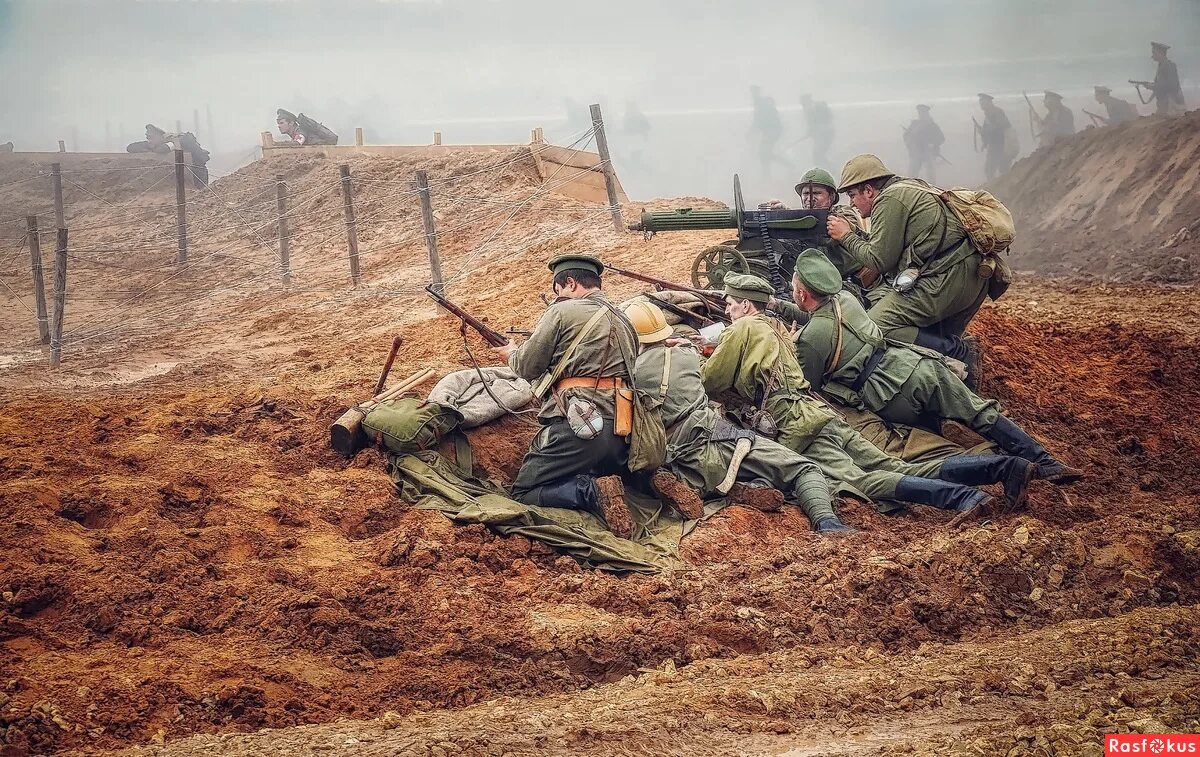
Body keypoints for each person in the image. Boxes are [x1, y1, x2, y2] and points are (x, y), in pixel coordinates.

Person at [700, 273, 1033, 520]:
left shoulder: (741, 328)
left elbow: (711, 381)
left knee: (862, 480)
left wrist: (693, 353)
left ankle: (963, 499)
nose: (727, 310)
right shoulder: (778, 328)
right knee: (892, 464)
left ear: (745, 304)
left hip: (797, 427)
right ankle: (1003, 467)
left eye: (730, 304)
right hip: (823, 416)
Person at [788, 248, 1083, 486]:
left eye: (793, 288)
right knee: (976, 410)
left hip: (888, 395)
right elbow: (825, 322)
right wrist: (778, 309)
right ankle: (1044, 460)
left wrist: (792, 342)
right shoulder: (846, 299)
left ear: (802, 295)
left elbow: (809, 386)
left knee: (925, 449)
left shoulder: (811, 340)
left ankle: (995, 470)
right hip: (917, 365)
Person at [623, 301, 851, 533]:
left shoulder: (627, 375)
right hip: (722, 444)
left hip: (672, 460)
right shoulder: (685, 356)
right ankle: (827, 523)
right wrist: (686, 346)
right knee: (803, 469)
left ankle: (719, 487)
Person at [491, 255, 638, 538]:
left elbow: (527, 366)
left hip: (579, 428)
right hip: (624, 432)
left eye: (558, 291)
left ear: (569, 283)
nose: (557, 298)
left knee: (524, 491)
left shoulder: (561, 312)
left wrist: (511, 354)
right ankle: (632, 483)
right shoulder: (624, 319)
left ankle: (589, 492)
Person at [826, 154, 986, 379]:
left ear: (869, 190)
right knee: (930, 336)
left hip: (946, 278)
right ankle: (959, 378)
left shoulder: (889, 199)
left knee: (872, 326)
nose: (851, 202)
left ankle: (961, 352)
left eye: (852, 195)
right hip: (971, 277)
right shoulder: (909, 188)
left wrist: (846, 237)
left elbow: (879, 260)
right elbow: (887, 245)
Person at [126, 124, 210, 187]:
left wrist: (163, 148)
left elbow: (164, 148)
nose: (150, 141)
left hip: (196, 173)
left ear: (160, 136)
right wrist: (147, 149)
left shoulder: (180, 140)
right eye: (148, 138)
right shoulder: (153, 145)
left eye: (152, 138)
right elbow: (130, 147)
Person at [748, 86, 790, 177]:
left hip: (772, 130)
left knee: (764, 153)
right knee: (765, 153)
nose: (753, 95)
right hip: (771, 130)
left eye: (754, 92)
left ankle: (788, 167)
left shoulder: (760, 103)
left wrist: (751, 131)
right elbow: (759, 120)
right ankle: (788, 166)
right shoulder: (760, 102)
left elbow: (759, 119)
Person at [977, 94, 1017, 180]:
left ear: (989, 102)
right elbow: (988, 130)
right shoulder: (988, 113)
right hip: (996, 145)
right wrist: (985, 142)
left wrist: (984, 131)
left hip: (1001, 145)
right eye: (980, 102)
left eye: (983, 101)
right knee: (993, 169)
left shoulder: (996, 112)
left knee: (994, 169)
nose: (981, 104)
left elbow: (1002, 126)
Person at [903, 104, 945, 183]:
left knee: (930, 173)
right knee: (912, 173)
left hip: (928, 152)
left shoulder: (932, 125)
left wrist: (932, 143)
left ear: (926, 113)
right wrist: (911, 141)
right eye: (920, 113)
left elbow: (941, 138)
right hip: (916, 152)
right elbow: (906, 136)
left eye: (923, 112)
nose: (921, 114)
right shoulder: (914, 124)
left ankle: (932, 188)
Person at [1146, 42, 1187, 115]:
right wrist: (1152, 86)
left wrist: (1153, 86)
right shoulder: (1162, 66)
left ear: (1160, 53)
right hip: (1165, 104)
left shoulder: (1169, 66)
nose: (1152, 55)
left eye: (1154, 52)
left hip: (1171, 104)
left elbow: (1171, 85)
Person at [799, 94, 834, 168]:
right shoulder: (814, 108)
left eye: (802, 102)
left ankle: (828, 170)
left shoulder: (811, 109)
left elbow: (812, 124)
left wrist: (811, 132)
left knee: (817, 155)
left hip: (822, 134)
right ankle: (827, 169)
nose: (802, 105)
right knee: (819, 155)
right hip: (826, 133)